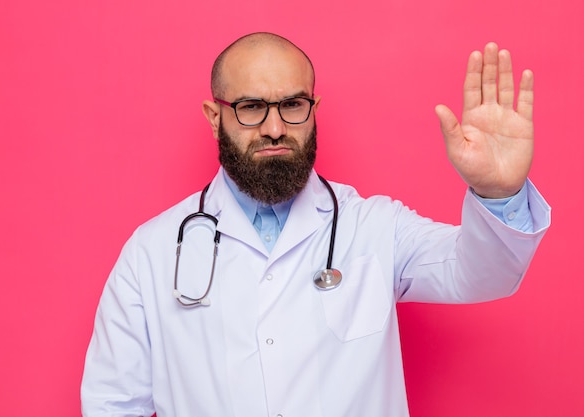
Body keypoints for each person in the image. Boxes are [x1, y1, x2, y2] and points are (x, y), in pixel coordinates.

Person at [81, 32, 550, 417]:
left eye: (292, 105)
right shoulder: (153, 252)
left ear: (313, 110)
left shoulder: (374, 226)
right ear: (214, 116)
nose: (274, 128)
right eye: (250, 107)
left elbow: (482, 272)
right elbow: (112, 404)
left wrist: (499, 191)